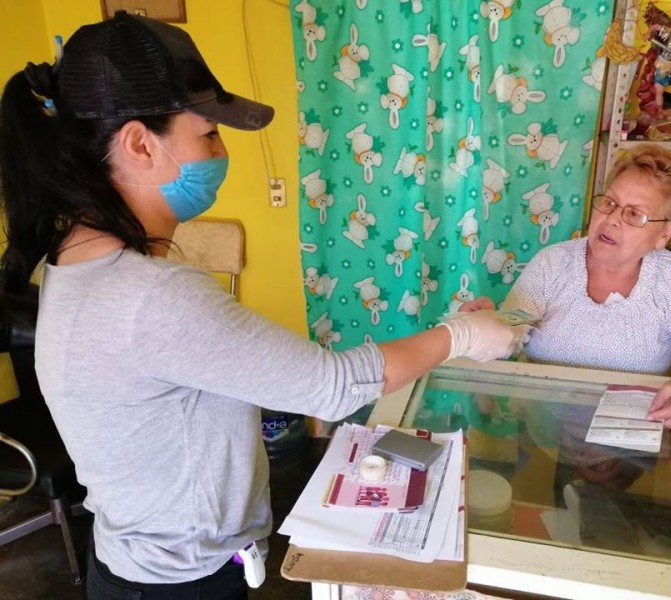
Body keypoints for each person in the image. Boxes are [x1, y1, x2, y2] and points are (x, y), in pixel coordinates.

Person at [0, 12, 529, 598]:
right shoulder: (150, 295)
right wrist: (460, 335)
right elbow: (333, 385)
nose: (221, 151)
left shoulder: (71, 262)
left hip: (131, 564)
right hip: (179, 584)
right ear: (139, 143)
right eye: (208, 134)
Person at [461, 144, 671, 430]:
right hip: (544, 434)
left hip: (629, 436)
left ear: (665, 232)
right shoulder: (553, 264)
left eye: (634, 214)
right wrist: (490, 325)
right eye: (610, 203)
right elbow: (512, 333)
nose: (611, 220)